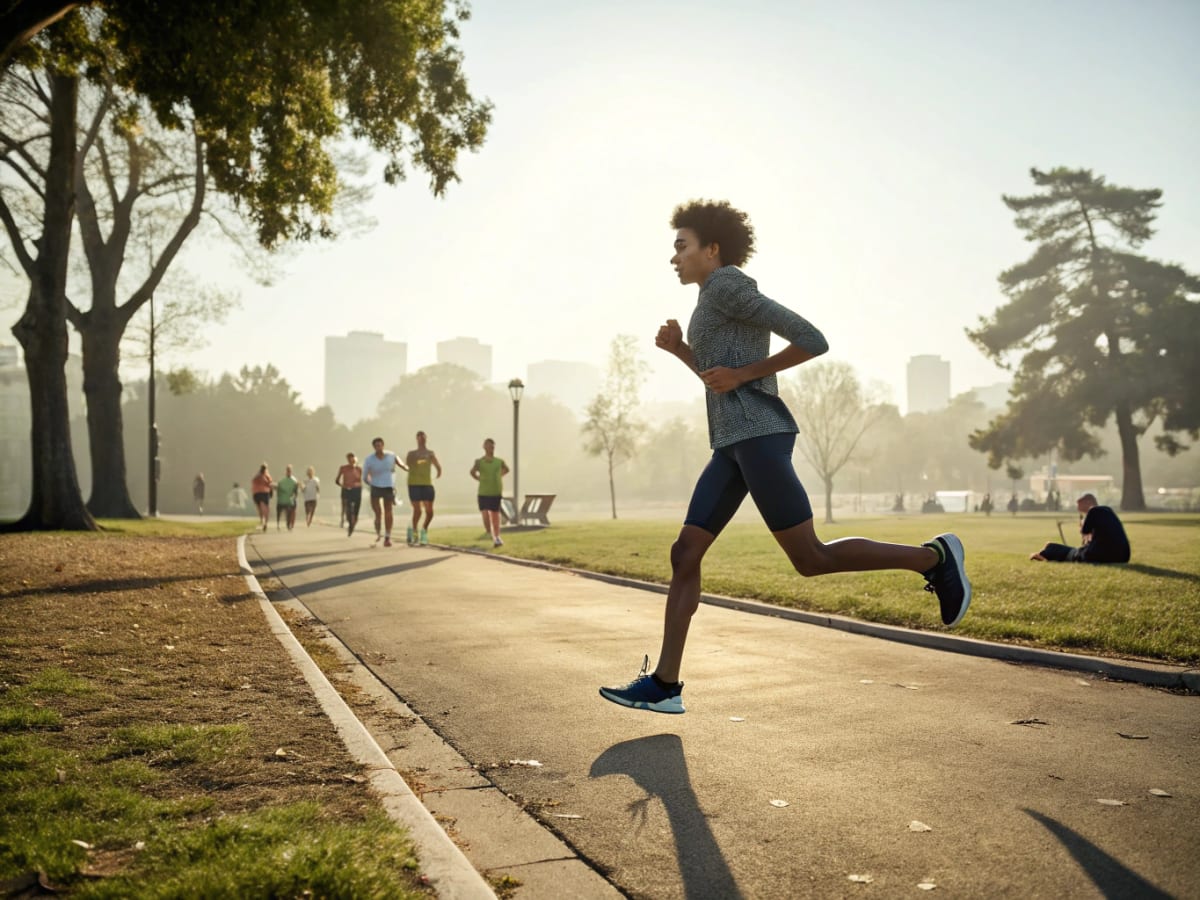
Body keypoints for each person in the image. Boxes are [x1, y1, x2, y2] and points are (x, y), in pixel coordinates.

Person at [598, 200, 971, 716]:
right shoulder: (710, 296)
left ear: (712, 249)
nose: (674, 257)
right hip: (731, 445)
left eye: (682, 246)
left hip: (759, 436)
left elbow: (812, 340)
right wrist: (681, 351)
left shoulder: (728, 285)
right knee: (685, 554)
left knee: (811, 559)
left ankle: (934, 558)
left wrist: (745, 373)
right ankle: (665, 684)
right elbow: (719, 378)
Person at [1030, 493, 1130, 563]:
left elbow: (1084, 532)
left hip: (1095, 555)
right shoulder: (1107, 510)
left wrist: (1082, 524)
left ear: (1088, 502)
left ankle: (1041, 556)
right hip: (1122, 556)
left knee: (1051, 546)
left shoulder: (1093, 511)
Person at [363, 437, 407, 546]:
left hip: (388, 486)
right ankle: (378, 532)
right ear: (374, 447)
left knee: (388, 511)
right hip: (375, 487)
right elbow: (365, 476)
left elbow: (402, 465)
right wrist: (370, 484)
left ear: (383, 445)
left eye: (380, 445)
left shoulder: (391, 456)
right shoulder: (369, 459)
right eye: (376, 446)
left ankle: (387, 537)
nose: (378, 447)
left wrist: (410, 469)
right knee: (378, 513)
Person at [470, 438, 509, 547]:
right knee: (485, 513)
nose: (490, 448)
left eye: (492, 446)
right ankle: (489, 531)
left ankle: (496, 537)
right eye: (488, 445)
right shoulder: (479, 462)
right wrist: (478, 478)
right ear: (484, 447)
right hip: (483, 491)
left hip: (495, 491)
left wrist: (498, 476)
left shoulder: (499, 461)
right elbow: (472, 472)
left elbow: (506, 469)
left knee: (495, 515)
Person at [406, 430, 442, 545]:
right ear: (416, 439)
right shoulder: (411, 453)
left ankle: (424, 529)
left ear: (426, 438)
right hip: (414, 484)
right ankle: (414, 531)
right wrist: (423, 459)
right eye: (419, 437)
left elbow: (437, 464)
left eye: (423, 437)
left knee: (429, 511)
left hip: (427, 483)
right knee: (418, 510)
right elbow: (410, 464)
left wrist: (438, 470)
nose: (422, 439)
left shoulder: (430, 453)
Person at [335, 452, 363, 536]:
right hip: (346, 489)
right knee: (347, 508)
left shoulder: (359, 469)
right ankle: (347, 522)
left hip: (357, 490)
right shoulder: (343, 468)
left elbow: (363, 479)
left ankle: (352, 524)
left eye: (353, 460)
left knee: (356, 510)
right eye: (350, 460)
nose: (352, 461)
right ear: (348, 460)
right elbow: (337, 480)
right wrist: (343, 486)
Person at [275, 464, 301, 531]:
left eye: (289, 470)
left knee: (289, 513)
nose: (288, 472)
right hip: (283, 500)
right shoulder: (282, 481)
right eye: (288, 470)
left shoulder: (294, 480)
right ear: (286, 471)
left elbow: (296, 491)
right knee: (284, 513)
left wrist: (294, 497)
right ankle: (280, 524)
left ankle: (289, 525)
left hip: (289, 500)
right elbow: (278, 489)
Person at [250, 464, 273, 532]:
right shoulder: (267, 475)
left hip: (256, 493)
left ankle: (262, 520)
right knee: (266, 508)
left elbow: (253, 483)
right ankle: (265, 522)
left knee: (259, 508)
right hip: (264, 492)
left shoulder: (256, 476)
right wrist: (271, 492)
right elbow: (270, 484)